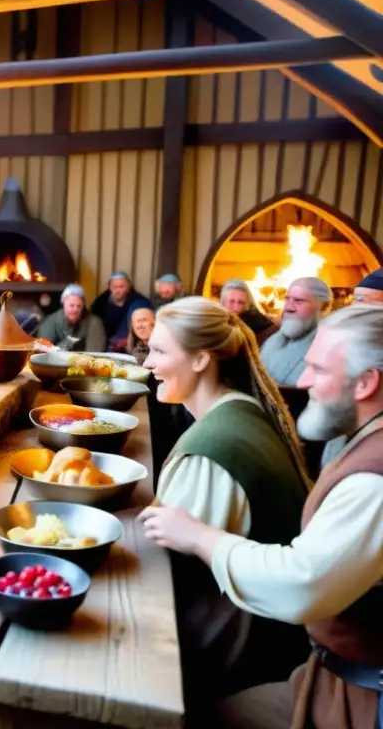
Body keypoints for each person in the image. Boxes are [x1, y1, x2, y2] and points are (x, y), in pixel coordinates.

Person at [140, 303, 383, 729]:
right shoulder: (365, 442)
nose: (303, 382)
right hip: (319, 671)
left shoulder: (376, 478)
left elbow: (300, 584)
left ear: (366, 383)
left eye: (319, 371)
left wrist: (200, 537)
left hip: (361, 694)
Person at [141, 297, 311, 710]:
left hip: (245, 655)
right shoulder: (245, 410)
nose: (147, 363)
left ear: (201, 360)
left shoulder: (211, 451)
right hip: (277, 640)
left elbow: (168, 572)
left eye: (160, 351)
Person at [261, 277, 332, 386]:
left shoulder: (332, 350)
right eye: (287, 299)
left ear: (323, 306)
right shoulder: (271, 341)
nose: (289, 307)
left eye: (299, 301)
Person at [90, 270, 152, 352]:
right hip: (104, 343)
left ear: (129, 287)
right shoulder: (100, 302)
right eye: (115, 287)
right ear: (109, 287)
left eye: (122, 287)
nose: (118, 290)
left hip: (129, 343)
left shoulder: (138, 301)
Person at [35, 284, 106, 352]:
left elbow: (95, 354)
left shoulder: (94, 322)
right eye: (71, 305)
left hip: (82, 361)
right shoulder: (52, 321)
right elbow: (42, 349)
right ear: (64, 304)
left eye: (79, 306)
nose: (75, 310)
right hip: (57, 360)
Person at [220, 278, 278, 345]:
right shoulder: (217, 317)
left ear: (246, 303)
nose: (236, 308)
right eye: (231, 301)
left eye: (241, 302)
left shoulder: (255, 320)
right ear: (223, 301)